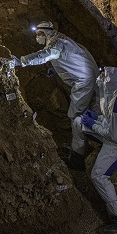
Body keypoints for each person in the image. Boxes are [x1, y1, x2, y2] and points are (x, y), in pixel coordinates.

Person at [9, 20, 99, 170]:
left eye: (38, 34)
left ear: (44, 33)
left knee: (76, 117)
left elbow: (46, 54)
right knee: (84, 114)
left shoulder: (56, 42)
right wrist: (56, 69)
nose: (37, 37)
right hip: (87, 78)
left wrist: (21, 61)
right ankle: (82, 147)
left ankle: (77, 158)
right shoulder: (60, 39)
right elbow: (65, 57)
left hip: (84, 82)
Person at [75, 66, 117, 234]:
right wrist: (96, 119)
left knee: (98, 175)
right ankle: (76, 159)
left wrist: (94, 124)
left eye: (103, 76)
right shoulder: (111, 96)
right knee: (79, 123)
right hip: (114, 135)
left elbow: (113, 133)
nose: (100, 78)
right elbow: (110, 122)